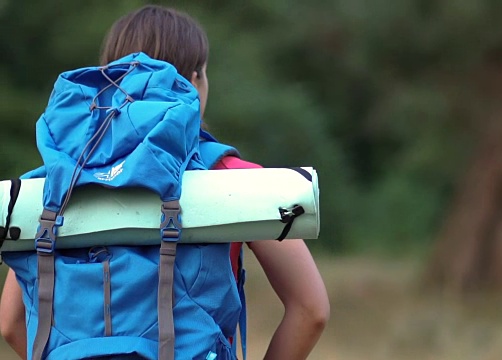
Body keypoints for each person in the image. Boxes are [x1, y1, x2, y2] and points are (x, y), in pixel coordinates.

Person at [0, 5, 329, 360]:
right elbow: (310, 310)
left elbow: (10, 323)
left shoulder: (57, 183)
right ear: (195, 78)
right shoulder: (233, 176)